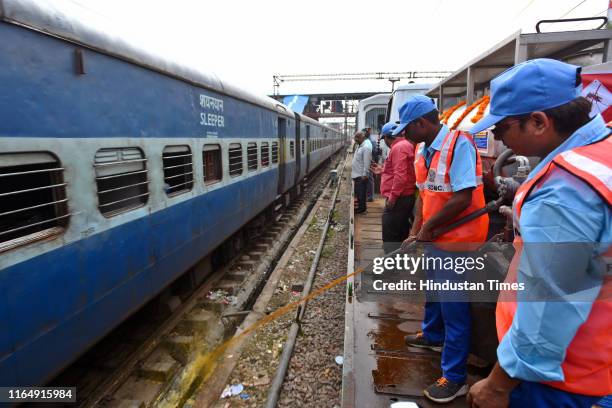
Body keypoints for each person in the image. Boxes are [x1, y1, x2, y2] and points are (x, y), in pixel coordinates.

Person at [466, 59, 611, 408]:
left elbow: (551, 302)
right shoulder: (601, 155)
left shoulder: (565, 189)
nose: (498, 139)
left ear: (538, 121)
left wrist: (499, 384)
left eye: (501, 129)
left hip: (557, 379)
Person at [398, 95, 489, 403]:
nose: (402, 135)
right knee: (434, 292)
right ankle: (432, 334)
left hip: (460, 241)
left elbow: (462, 197)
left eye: (405, 129)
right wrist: (415, 231)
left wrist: (426, 229)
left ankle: (454, 377)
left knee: (454, 307)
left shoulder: (459, 145)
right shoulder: (424, 151)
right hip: (437, 237)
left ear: (421, 124)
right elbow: (424, 195)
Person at [370, 121, 416, 254]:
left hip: (399, 198)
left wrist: (392, 198)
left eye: (384, 139)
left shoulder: (398, 148)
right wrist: (384, 170)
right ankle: (399, 263)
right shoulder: (405, 145)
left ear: (388, 137)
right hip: (404, 197)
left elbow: (400, 177)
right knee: (400, 231)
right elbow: (400, 170)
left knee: (390, 234)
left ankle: (390, 268)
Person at [351, 131, 372, 214]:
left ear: (361, 137)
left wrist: (365, 174)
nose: (355, 139)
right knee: (359, 193)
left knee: (361, 193)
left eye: (357, 137)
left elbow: (367, 162)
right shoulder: (359, 146)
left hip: (361, 175)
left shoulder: (365, 147)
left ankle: (362, 209)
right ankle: (361, 207)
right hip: (357, 174)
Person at [363, 127, 379, 201]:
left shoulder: (371, 141)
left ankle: (370, 197)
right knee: (368, 178)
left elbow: (375, 151)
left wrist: (374, 161)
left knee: (370, 178)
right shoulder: (368, 140)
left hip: (370, 160)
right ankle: (368, 195)